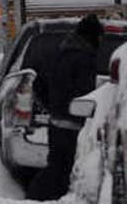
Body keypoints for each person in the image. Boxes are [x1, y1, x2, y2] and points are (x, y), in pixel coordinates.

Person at [26, 14, 103, 201]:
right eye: (99, 36)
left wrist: (53, 106)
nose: (101, 41)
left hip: (57, 123)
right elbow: (86, 92)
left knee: (57, 168)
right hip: (76, 125)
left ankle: (38, 197)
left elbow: (39, 84)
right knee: (66, 171)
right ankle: (37, 197)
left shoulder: (61, 53)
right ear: (91, 35)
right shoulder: (84, 59)